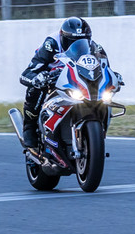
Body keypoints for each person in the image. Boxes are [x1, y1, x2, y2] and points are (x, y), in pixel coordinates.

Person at [17, 17, 122, 148]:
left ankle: (95, 131)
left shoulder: (95, 47)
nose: (75, 45)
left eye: (80, 41)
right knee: (35, 88)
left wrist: (114, 76)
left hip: (78, 80)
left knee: (103, 96)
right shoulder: (51, 44)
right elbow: (27, 73)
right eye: (71, 41)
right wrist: (38, 78)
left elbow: (104, 68)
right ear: (62, 37)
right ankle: (29, 128)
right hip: (52, 78)